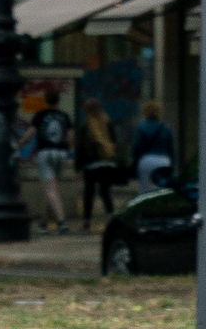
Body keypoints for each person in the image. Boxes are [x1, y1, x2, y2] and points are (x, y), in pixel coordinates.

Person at [24, 87, 75, 234]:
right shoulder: (65, 116)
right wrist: (68, 150)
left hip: (45, 154)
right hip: (60, 153)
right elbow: (70, 136)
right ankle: (43, 224)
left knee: (51, 191)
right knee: (51, 191)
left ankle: (62, 222)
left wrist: (21, 143)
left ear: (46, 101)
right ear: (58, 100)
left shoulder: (40, 116)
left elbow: (30, 133)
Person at [77, 99, 123, 230]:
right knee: (105, 191)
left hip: (91, 164)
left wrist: (78, 167)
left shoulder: (86, 126)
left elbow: (80, 148)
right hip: (107, 162)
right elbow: (113, 143)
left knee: (89, 193)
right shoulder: (107, 123)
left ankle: (87, 221)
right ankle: (111, 217)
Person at [131, 100, 176, 191]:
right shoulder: (166, 128)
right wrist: (173, 166)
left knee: (144, 189)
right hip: (163, 160)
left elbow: (137, 147)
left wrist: (135, 163)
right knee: (162, 189)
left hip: (146, 160)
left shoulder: (141, 128)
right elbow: (171, 149)